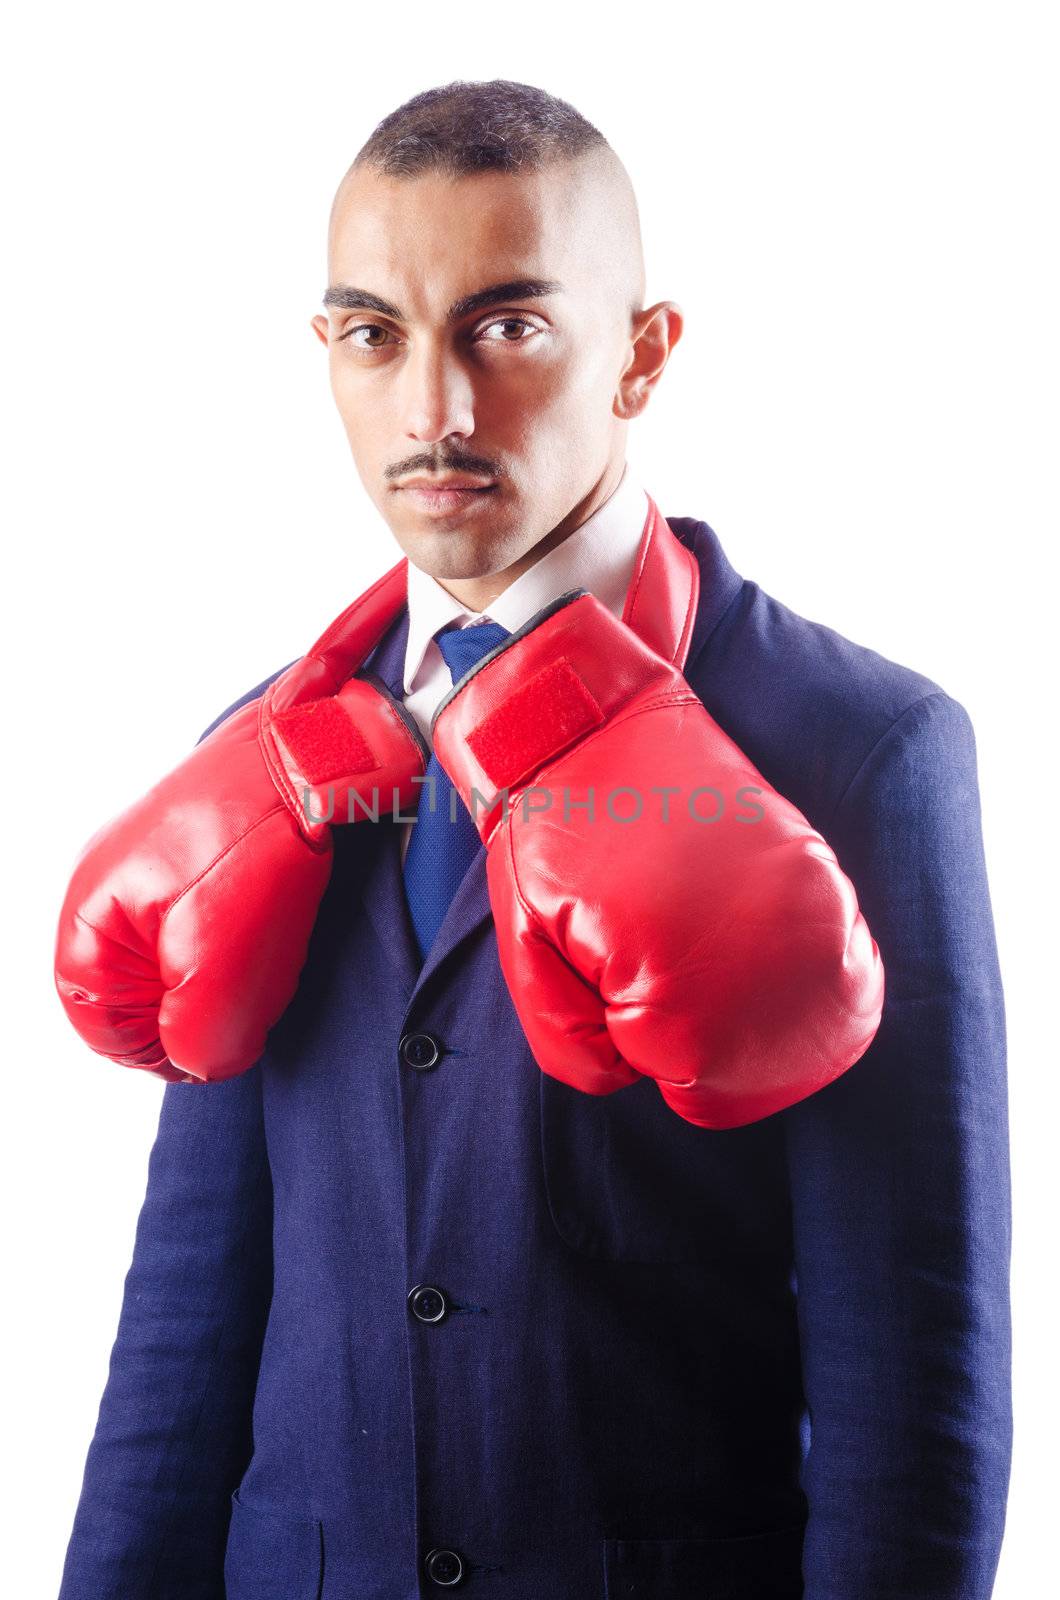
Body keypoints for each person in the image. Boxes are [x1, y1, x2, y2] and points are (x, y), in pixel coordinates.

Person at [57, 79, 1011, 1600]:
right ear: (331, 357)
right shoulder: (268, 750)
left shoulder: (859, 748)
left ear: (641, 354)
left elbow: (915, 1391)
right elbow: (185, 1319)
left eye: (505, 328)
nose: (433, 410)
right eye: (375, 333)